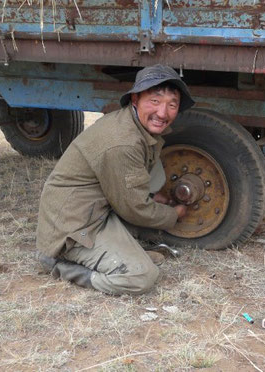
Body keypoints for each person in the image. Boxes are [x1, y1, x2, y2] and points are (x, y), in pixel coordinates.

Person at [36, 65, 195, 294]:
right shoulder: (123, 143)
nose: (163, 113)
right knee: (141, 276)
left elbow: (135, 186)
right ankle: (61, 265)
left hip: (96, 208)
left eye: (172, 104)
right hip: (74, 225)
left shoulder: (133, 125)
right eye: (155, 101)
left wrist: (152, 197)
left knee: (155, 178)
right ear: (135, 99)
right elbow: (135, 209)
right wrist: (172, 215)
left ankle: (121, 252)